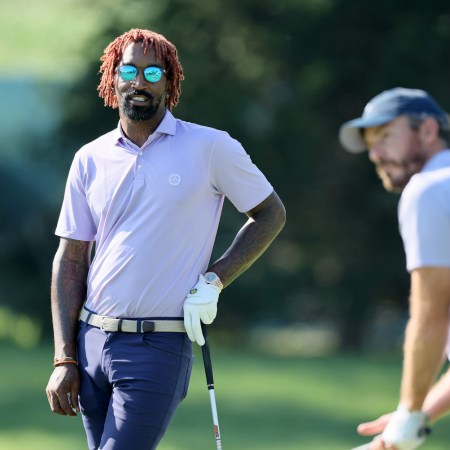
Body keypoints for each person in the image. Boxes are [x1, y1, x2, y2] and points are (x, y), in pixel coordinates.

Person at [45, 28, 286, 450]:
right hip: (91, 342)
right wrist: (64, 357)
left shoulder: (210, 147)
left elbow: (270, 214)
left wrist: (214, 280)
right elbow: (71, 257)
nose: (140, 81)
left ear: (170, 82)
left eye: (153, 71)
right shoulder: (90, 158)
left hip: (157, 344)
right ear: (113, 79)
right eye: (130, 70)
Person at [339, 87, 450, 450]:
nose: (376, 154)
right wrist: (416, 415)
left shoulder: (429, 189)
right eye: (372, 143)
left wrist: (409, 411)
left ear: (429, 131)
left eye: (386, 136)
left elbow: (430, 317)